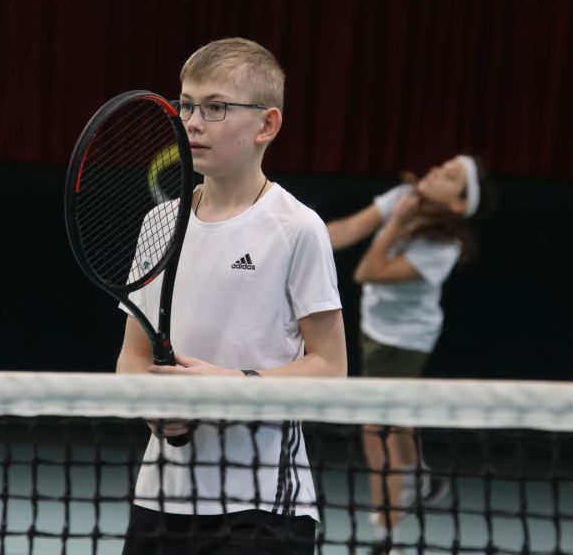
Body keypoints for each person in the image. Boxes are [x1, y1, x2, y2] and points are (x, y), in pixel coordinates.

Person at [117, 37, 347, 554]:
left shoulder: (297, 228)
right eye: (186, 105)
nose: (192, 122)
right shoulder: (159, 223)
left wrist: (233, 386)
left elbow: (331, 368)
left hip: (262, 506)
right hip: (159, 502)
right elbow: (132, 357)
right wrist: (150, 406)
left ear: (266, 125)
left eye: (216, 107)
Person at [326, 155, 494, 552]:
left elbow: (367, 272)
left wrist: (397, 223)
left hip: (403, 343)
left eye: (450, 176)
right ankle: (420, 478)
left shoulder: (443, 247)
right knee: (397, 416)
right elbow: (347, 229)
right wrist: (295, 238)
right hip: (373, 328)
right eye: (442, 165)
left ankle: (387, 535)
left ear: (458, 203)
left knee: (376, 429)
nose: (435, 170)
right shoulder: (404, 194)